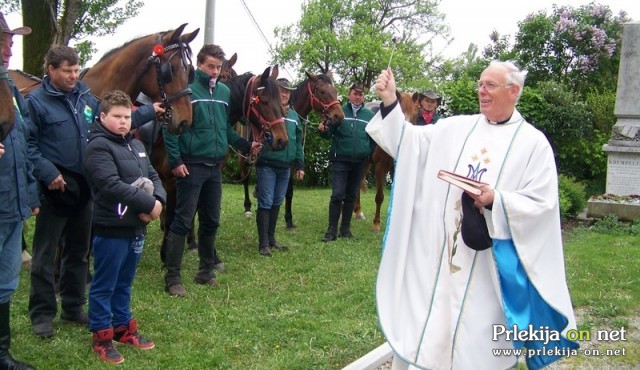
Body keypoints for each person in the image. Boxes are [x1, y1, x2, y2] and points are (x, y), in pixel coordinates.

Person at [367, 62, 579, 369]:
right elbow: (410, 143)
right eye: (480, 84)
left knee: (476, 342)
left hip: (487, 267)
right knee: (434, 330)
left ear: (514, 91)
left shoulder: (533, 145)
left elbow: (541, 205)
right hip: (442, 259)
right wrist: (389, 100)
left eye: (491, 85)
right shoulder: (458, 128)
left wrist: (497, 200)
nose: (482, 90)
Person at [26, 45, 163, 339]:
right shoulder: (36, 102)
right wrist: (48, 171)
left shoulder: (86, 98)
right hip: (56, 186)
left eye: (77, 70)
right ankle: (42, 314)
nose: (74, 76)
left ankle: (73, 306)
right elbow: (29, 145)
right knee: (46, 252)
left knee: (79, 251)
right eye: (67, 71)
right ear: (51, 70)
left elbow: (115, 120)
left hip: (85, 186)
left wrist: (150, 111)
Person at [162, 44, 261, 297]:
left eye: (218, 67)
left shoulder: (225, 92)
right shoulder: (187, 91)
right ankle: (172, 277)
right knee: (183, 221)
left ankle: (205, 271)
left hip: (214, 167)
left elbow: (226, 130)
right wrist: (175, 161)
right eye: (210, 66)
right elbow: (171, 128)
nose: (215, 71)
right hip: (191, 166)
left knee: (211, 220)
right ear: (199, 65)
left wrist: (247, 144)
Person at [83, 90, 165, 364]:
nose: (123, 122)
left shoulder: (136, 145)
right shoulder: (98, 147)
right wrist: (148, 205)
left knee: (125, 282)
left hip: (136, 228)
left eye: (127, 116)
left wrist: (160, 201)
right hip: (112, 228)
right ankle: (101, 336)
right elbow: (111, 185)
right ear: (103, 116)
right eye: (117, 116)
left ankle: (122, 328)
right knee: (104, 284)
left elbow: (152, 174)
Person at [0, 12, 38, 370]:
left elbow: (25, 145)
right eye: (2, 40)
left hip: (12, 204)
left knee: (5, 279)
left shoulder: (10, 89)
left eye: (10, 40)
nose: (9, 47)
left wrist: (31, 194)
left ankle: (0, 353)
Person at [318, 81, 374, 242]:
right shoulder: (339, 111)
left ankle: (345, 230)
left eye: (361, 94)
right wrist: (323, 131)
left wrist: (367, 150)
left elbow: (373, 138)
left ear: (364, 96)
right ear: (349, 94)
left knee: (350, 196)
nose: (358, 97)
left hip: (359, 162)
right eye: (355, 93)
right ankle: (331, 231)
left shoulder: (369, 116)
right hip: (340, 159)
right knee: (337, 195)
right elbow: (328, 134)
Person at [255, 78, 305, 256]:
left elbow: (298, 142)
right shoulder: (268, 110)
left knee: (277, 201)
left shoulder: (294, 116)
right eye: (281, 91)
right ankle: (263, 244)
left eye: (287, 92)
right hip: (267, 163)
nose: (284, 94)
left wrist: (300, 164)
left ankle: (271, 239)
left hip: (286, 166)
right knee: (266, 201)